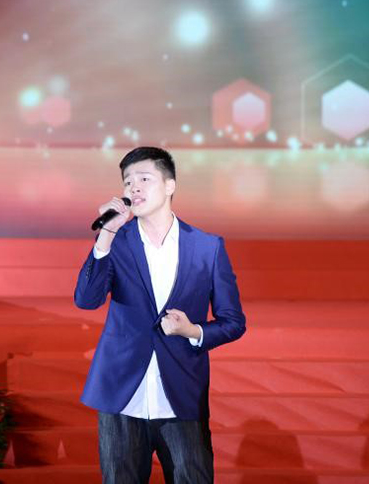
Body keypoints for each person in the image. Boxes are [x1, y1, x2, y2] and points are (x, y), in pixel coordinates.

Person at [74, 146, 246, 484]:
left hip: (181, 393)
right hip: (122, 395)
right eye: (127, 182)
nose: (133, 187)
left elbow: (233, 322)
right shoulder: (116, 241)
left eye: (144, 179)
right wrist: (106, 234)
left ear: (170, 186)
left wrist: (192, 331)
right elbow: (86, 300)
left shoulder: (208, 247)